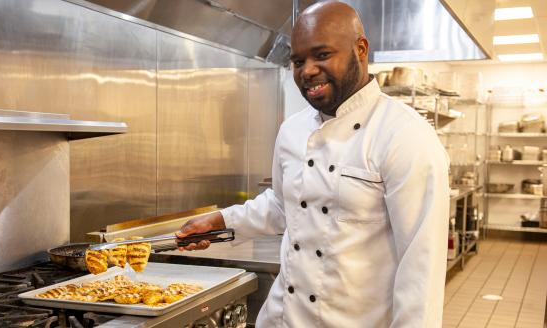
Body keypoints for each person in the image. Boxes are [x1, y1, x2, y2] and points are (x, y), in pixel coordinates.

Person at [176, 1, 449, 326]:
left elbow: (421, 267)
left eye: (322, 55)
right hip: (282, 319)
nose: (306, 71)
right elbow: (283, 205)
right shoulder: (292, 130)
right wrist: (223, 220)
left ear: (360, 49)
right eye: (297, 61)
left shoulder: (404, 135)